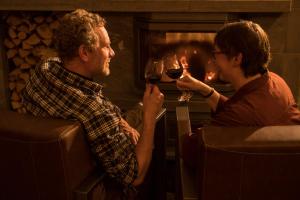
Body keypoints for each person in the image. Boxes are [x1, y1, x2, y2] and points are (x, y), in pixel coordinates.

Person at [21, 9, 164, 197]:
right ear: (85, 53)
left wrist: (121, 122)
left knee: (135, 113)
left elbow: (95, 107)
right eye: (106, 46)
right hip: (98, 186)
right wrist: (150, 118)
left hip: (44, 179)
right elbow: (134, 176)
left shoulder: (43, 70)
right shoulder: (94, 112)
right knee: (155, 112)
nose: (112, 53)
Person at [177, 20, 300, 168]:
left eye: (216, 53)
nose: (213, 60)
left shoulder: (243, 113)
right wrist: (205, 90)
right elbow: (235, 111)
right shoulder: (273, 80)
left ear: (237, 58)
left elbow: (190, 151)